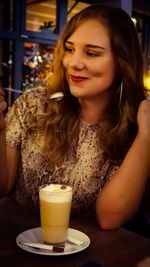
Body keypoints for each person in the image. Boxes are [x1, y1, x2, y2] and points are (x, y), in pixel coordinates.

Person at [0, 3, 150, 231]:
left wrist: (146, 137)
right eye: (69, 49)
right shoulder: (34, 105)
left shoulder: (132, 128)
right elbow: (3, 185)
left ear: (121, 62)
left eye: (91, 53)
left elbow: (110, 218)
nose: (74, 63)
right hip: (14, 245)